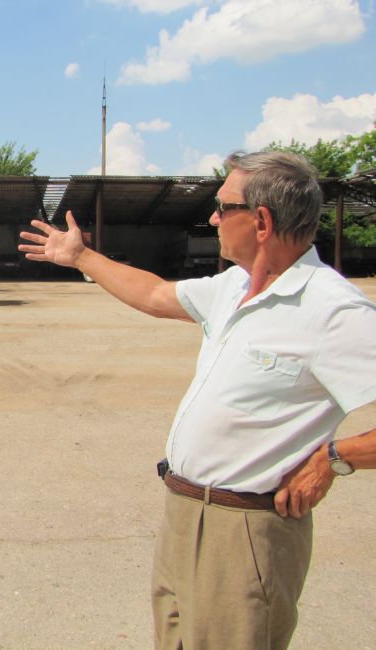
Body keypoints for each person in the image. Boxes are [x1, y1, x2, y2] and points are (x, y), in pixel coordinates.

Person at [19, 150, 376, 649]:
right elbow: (155, 295)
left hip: (246, 531)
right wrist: (81, 257)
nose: (212, 219)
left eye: (223, 207)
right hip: (185, 511)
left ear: (261, 221)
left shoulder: (333, 310)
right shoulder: (234, 287)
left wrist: (334, 458)